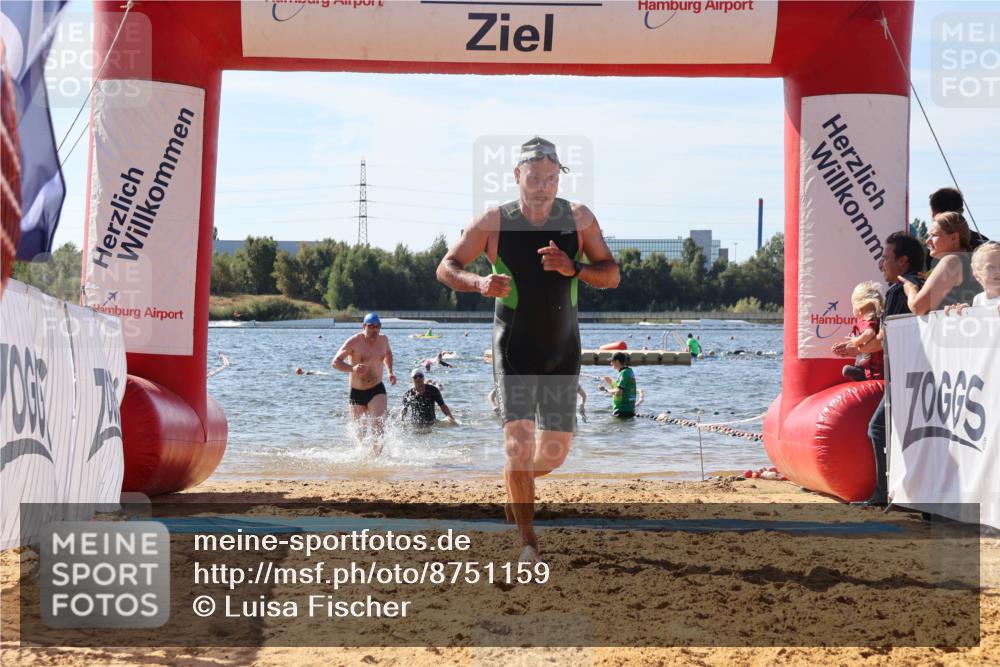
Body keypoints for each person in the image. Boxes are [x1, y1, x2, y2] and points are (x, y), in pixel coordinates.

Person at [436, 136, 620, 563]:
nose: (542, 185)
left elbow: (611, 275)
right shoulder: (494, 221)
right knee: (518, 446)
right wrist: (479, 283)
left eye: (550, 178)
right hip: (513, 346)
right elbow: (446, 267)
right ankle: (528, 542)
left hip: (561, 349)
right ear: (517, 175)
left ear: (560, 178)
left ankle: (517, 485)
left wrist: (574, 267)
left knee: (552, 456)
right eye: (534, 177)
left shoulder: (578, 218)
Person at [833, 232, 924, 506]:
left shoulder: (899, 290)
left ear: (903, 261)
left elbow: (886, 340)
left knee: (877, 429)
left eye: (885, 258)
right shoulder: (924, 284)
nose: (881, 264)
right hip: (921, 374)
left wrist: (855, 349)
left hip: (904, 374)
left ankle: (883, 496)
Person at [331, 312, 397, 451]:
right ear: (364, 326)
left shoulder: (383, 340)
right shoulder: (354, 341)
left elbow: (388, 354)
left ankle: (377, 462)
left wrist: (390, 371)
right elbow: (335, 363)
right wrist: (352, 368)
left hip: (376, 389)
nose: (374, 330)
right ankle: (363, 465)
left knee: (379, 427)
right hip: (357, 392)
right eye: (371, 326)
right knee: (359, 435)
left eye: (377, 326)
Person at [902, 211, 979, 315]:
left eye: (933, 235)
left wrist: (911, 289)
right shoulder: (971, 260)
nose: (927, 241)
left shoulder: (951, 261)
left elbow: (918, 307)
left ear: (954, 237)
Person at [840, 281, 884, 381]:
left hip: (872, 371)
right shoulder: (878, 318)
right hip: (880, 368)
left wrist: (855, 341)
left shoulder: (866, 320)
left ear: (859, 307)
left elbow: (869, 333)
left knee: (846, 370)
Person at [945, 241, 1000, 316]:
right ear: (977, 274)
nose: (998, 271)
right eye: (990, 267)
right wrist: (966, 311)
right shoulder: (978, 299)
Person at [602, 351, 638, 418]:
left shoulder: (623, 373)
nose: (611, 363)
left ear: (617, 361)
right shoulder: (629, 371)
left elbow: (618, 392)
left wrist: (606, 390)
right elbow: (623, 388)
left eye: (612, 361)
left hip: (621, 411)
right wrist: (611, 382)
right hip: (629, 410)